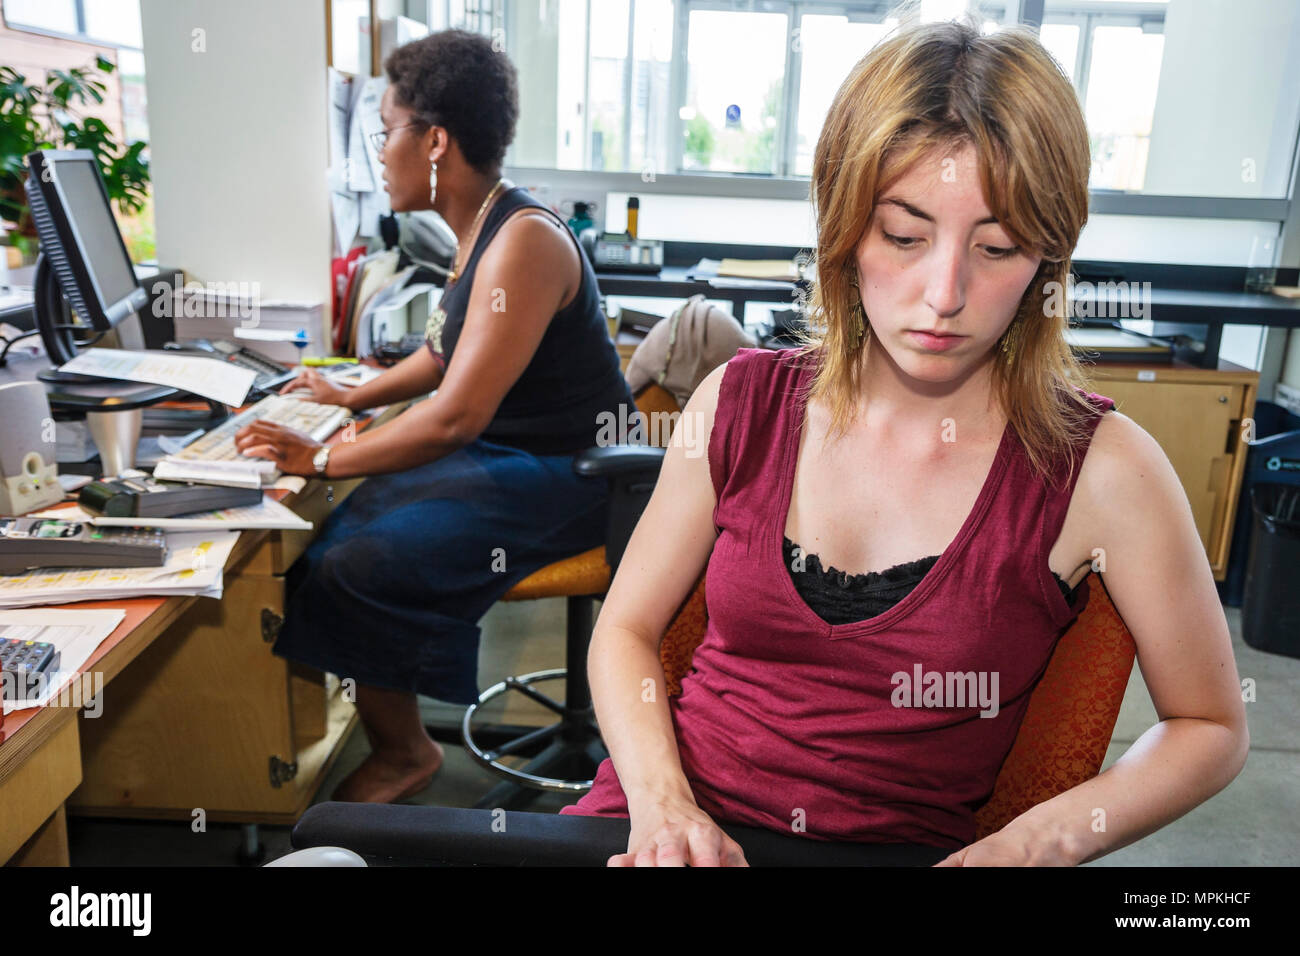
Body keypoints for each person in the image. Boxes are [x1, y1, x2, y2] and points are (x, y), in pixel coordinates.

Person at [560, 18, 1249, 866]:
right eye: (904, 235)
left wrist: (1034, 841)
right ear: (846, 229)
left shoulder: (1103, 471)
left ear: (1049, 260)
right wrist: (662, 807)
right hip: (660, 835)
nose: (945, 293)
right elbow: (624, 629)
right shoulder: (739, 404)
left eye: (998, 247)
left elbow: (1210, 725)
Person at [233, 29, 634, 804]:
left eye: (388, 132)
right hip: (512, 453)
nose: (381, 153)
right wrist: (348, 399)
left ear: (437, 141)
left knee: (359, 558)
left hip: (574, 476)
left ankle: (405, 754)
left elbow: (454, 415)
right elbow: (446, 355)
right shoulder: (480, 226)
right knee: (341, 532)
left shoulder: (523, 241)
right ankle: (394, 735)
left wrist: (317, 459)